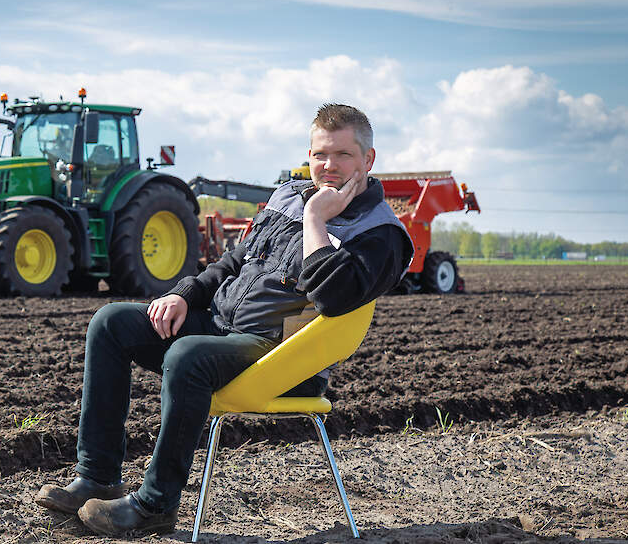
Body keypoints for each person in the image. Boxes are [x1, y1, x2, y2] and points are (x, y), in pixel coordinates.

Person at [35, 103, 414, 537]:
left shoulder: (380, 234)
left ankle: (155, 505)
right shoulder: (288, 195)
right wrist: (185, 293)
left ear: (368, 159)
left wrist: (316, 220)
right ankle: (97, 476)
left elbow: (332, 298)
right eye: (319, 155)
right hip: (222, 328)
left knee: (188, 354)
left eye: (343, 155)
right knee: (111, 322)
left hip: (282, 356)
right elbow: (236, 259)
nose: (328, 167)